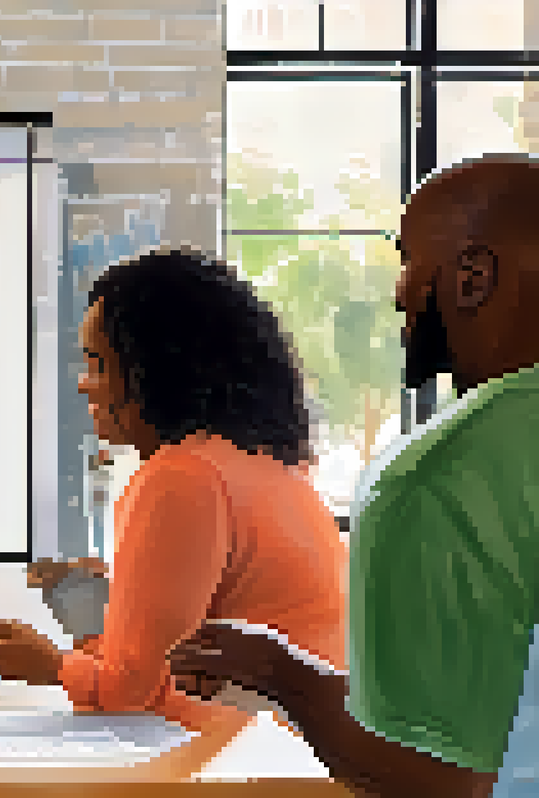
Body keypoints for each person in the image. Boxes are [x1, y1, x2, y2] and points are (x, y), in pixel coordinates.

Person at [170, 154, 539, 797]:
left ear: (472, 277)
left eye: (408, 262)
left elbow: (432, 777)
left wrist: (280, 673)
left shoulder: (442, 475)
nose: (398, 294)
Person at [0, 247, 348, 744]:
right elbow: (163, 668)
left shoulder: (182, 477)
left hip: (242, 756)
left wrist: (49, 664)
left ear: (157, 368)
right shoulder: (269, 466)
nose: (86, 386)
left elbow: (133, 693)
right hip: (297, 750)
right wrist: (103, 611)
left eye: (99, 363)